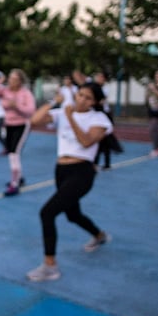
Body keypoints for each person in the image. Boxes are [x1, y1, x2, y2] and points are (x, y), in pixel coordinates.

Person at [25, 84, 113, 282]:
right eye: (80, 95)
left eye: (88, 98)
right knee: (73, 215)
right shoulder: (62, 112)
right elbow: (35, 120)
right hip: (61, 171)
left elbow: (86, 142)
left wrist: (71, 117)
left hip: (82, 173)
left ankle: (50, 267)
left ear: (96, 102)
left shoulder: (99, 119)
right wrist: (54, 102)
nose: (82, 100)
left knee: (47, 212)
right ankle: (100, 235)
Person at [0, 68, 36, 196]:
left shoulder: (25, 93)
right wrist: (0, 80)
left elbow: (31, 111)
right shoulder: (5, 91)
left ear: (20, 81)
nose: (11, 81)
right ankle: (19, 177)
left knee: (14, 152)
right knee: (11, 152)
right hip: (8, 125)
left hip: (21, 125)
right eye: (10, 78)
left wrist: (17, 107)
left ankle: (14, 184)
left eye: (14, 79)